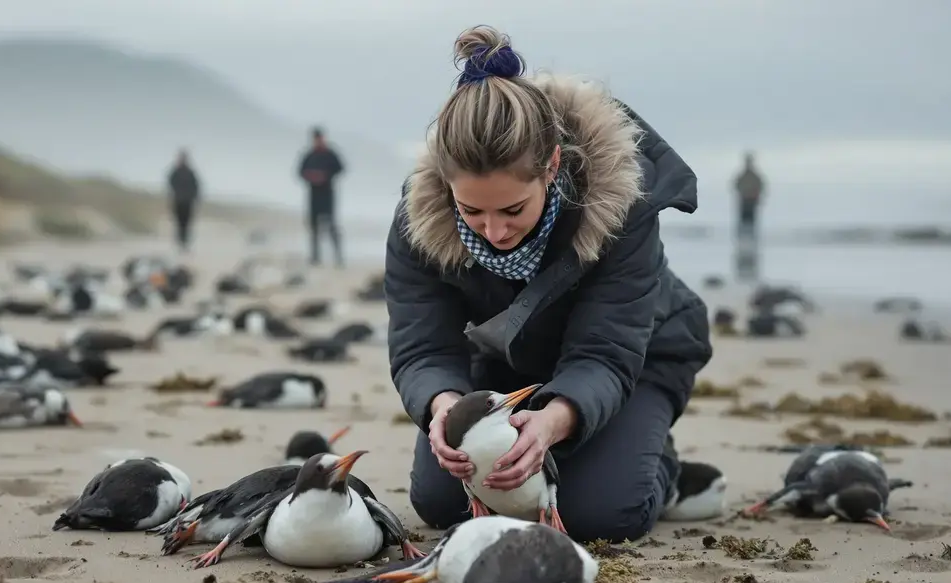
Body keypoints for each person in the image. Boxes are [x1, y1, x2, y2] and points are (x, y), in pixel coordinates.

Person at [385, 26, 713, 544]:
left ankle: (654, 458)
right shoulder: (418, 220)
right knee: (443, 504)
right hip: (509, 362)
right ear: (446, 184)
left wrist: (554, 421)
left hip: (638, 354)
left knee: (604, 516)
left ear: (552, 166)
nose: (493, 232)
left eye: (512, 209)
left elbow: (606, 353)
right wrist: (441, 406)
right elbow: (423, 345)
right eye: (470, 210)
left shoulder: (622, 208)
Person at [297, 127, 346, 267]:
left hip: (328, 194)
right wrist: (310, 176)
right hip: (313, 195)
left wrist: (326, 176)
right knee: (314, 227)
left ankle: (338, 257)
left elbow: (341, 168)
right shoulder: (309, 155)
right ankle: (315, 257)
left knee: (331, 226)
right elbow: (300, 171)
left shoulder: (330, 154)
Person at [732, 152, 765, 282]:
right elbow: (736, 186)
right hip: (744, 201)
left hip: (751, 201)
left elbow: (761, 186)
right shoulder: (743, 175)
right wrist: (744, 193)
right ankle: (742, 242)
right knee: (743, 222)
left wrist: (755, 194)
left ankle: (750, 241)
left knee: (751, 223)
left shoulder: (754, 176)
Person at [167, 149, 201, 253]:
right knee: (179, 223)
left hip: (187, 202)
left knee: (186, 223)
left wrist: (195, 197)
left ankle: (184, 243)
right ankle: (180, 243)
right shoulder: (175, 172)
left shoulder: (190, 172)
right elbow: (170, 183)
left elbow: (196, 186)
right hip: (178, 201)